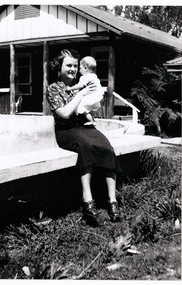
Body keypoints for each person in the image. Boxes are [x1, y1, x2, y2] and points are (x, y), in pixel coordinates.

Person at [46, 49, 120, 223]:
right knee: (85, 146)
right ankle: (87, 200)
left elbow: (92, 106)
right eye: (68, 65)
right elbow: (64, 114)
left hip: (84, 128)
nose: (72, 69)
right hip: (66, 131)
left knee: (106, 147)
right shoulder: (54, 88)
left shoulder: (83, 82)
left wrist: (93, 100)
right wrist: (80, 94)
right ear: (59, 66)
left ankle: (112, 201)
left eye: (75, 65)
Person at [66, 56, 104, 126]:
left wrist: (70, 88)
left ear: (85, 68)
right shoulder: (94, 76)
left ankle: (90, 121)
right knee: (92, 109)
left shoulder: (84, 77)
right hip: (96, 96)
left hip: (90, 96)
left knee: (81, 108)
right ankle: (93, 119)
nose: (79, 70)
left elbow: (80, 85)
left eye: (80, 68)